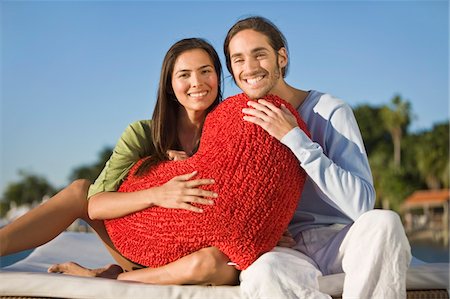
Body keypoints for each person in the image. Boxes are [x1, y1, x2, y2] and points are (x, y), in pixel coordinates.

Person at [0, 38, 239, 285]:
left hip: (196, 258)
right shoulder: (142, 134)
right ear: (170, 85)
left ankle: (120, 277)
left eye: (205, 71)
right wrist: (159, 193)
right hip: (139, 249)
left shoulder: (233, 135)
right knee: (81, 191)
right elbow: (94, 206)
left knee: (215, 263)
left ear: (218, 77)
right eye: (184, 74)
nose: (197, 82)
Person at [222, 16, 412, 298]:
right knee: (261, 272)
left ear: (281, 57)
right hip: (288, 250)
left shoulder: (330, 110)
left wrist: (294, 138)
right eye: (238, 59)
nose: (249, 68)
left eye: (259, 54)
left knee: (385, 223)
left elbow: (361, 204)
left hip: (340, 240)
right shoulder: (235, 122)